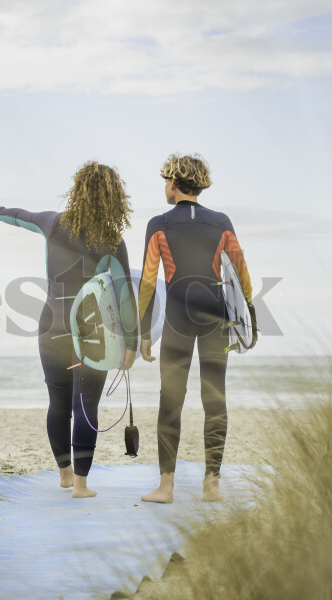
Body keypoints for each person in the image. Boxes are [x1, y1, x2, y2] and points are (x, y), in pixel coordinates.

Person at [0, 162, 138, 498]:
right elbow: (124, 296)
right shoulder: (112, 239)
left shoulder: (54, 223)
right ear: (114, 198)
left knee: (58, 403)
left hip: (51, 324)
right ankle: (81, 485)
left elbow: (22, 216)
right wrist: (131, 344)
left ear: (77, 190)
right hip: (92, 330)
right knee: (86, 405)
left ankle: (64, 475)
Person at [137, 154, 252, 503]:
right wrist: (245, 314)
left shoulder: (158, 224)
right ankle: (211, 484)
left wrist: (143, 332)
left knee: (170, 401)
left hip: (178, 319)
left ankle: (166, 487)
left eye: (165, 181)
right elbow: (243, 274)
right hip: (217, 319)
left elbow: (147, 281)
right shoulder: (221, 222)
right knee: (214, 398)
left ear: (173, 183)